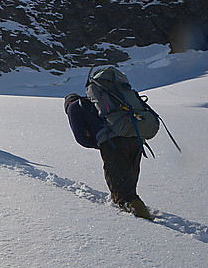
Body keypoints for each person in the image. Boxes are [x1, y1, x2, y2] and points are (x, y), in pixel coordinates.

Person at [64, 92, 152, 220]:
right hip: (135, 138)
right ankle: (135, 208)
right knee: (128, 179)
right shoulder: (99, 103)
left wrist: (101, 144)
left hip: (112, 143)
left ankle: (141, 219)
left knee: (121, 189)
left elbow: (81, 138)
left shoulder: (74, 107)